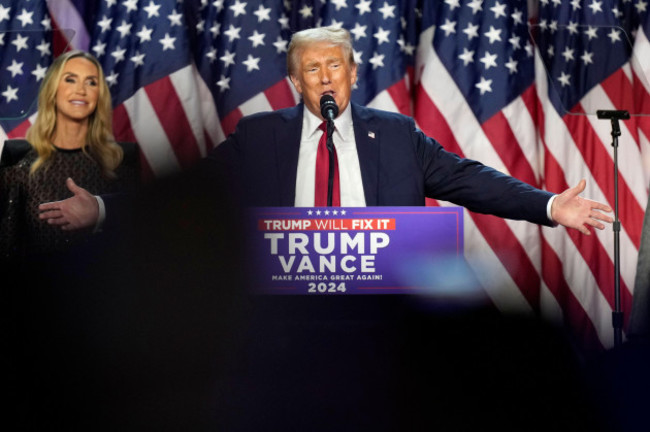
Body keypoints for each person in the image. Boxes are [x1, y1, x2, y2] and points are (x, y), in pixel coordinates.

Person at [39, 26, 611, 235]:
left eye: (334, 64)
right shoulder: (261, 136)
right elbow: (190, 194)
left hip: (384, 312)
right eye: (311, 68)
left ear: (353, 73)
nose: (324, 76)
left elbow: (468, 178)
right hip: (284, 317)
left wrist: (549, 207)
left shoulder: (395, 133)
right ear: (296, 81)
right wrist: (108, 211)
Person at [0, 50, 138, 262]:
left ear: (99, 95)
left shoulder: (123, 161)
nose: (81, 90)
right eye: (71, 80)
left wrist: (100, 212)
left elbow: (141, 238)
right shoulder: (18, 163)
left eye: (91, 82)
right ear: (53, 91)